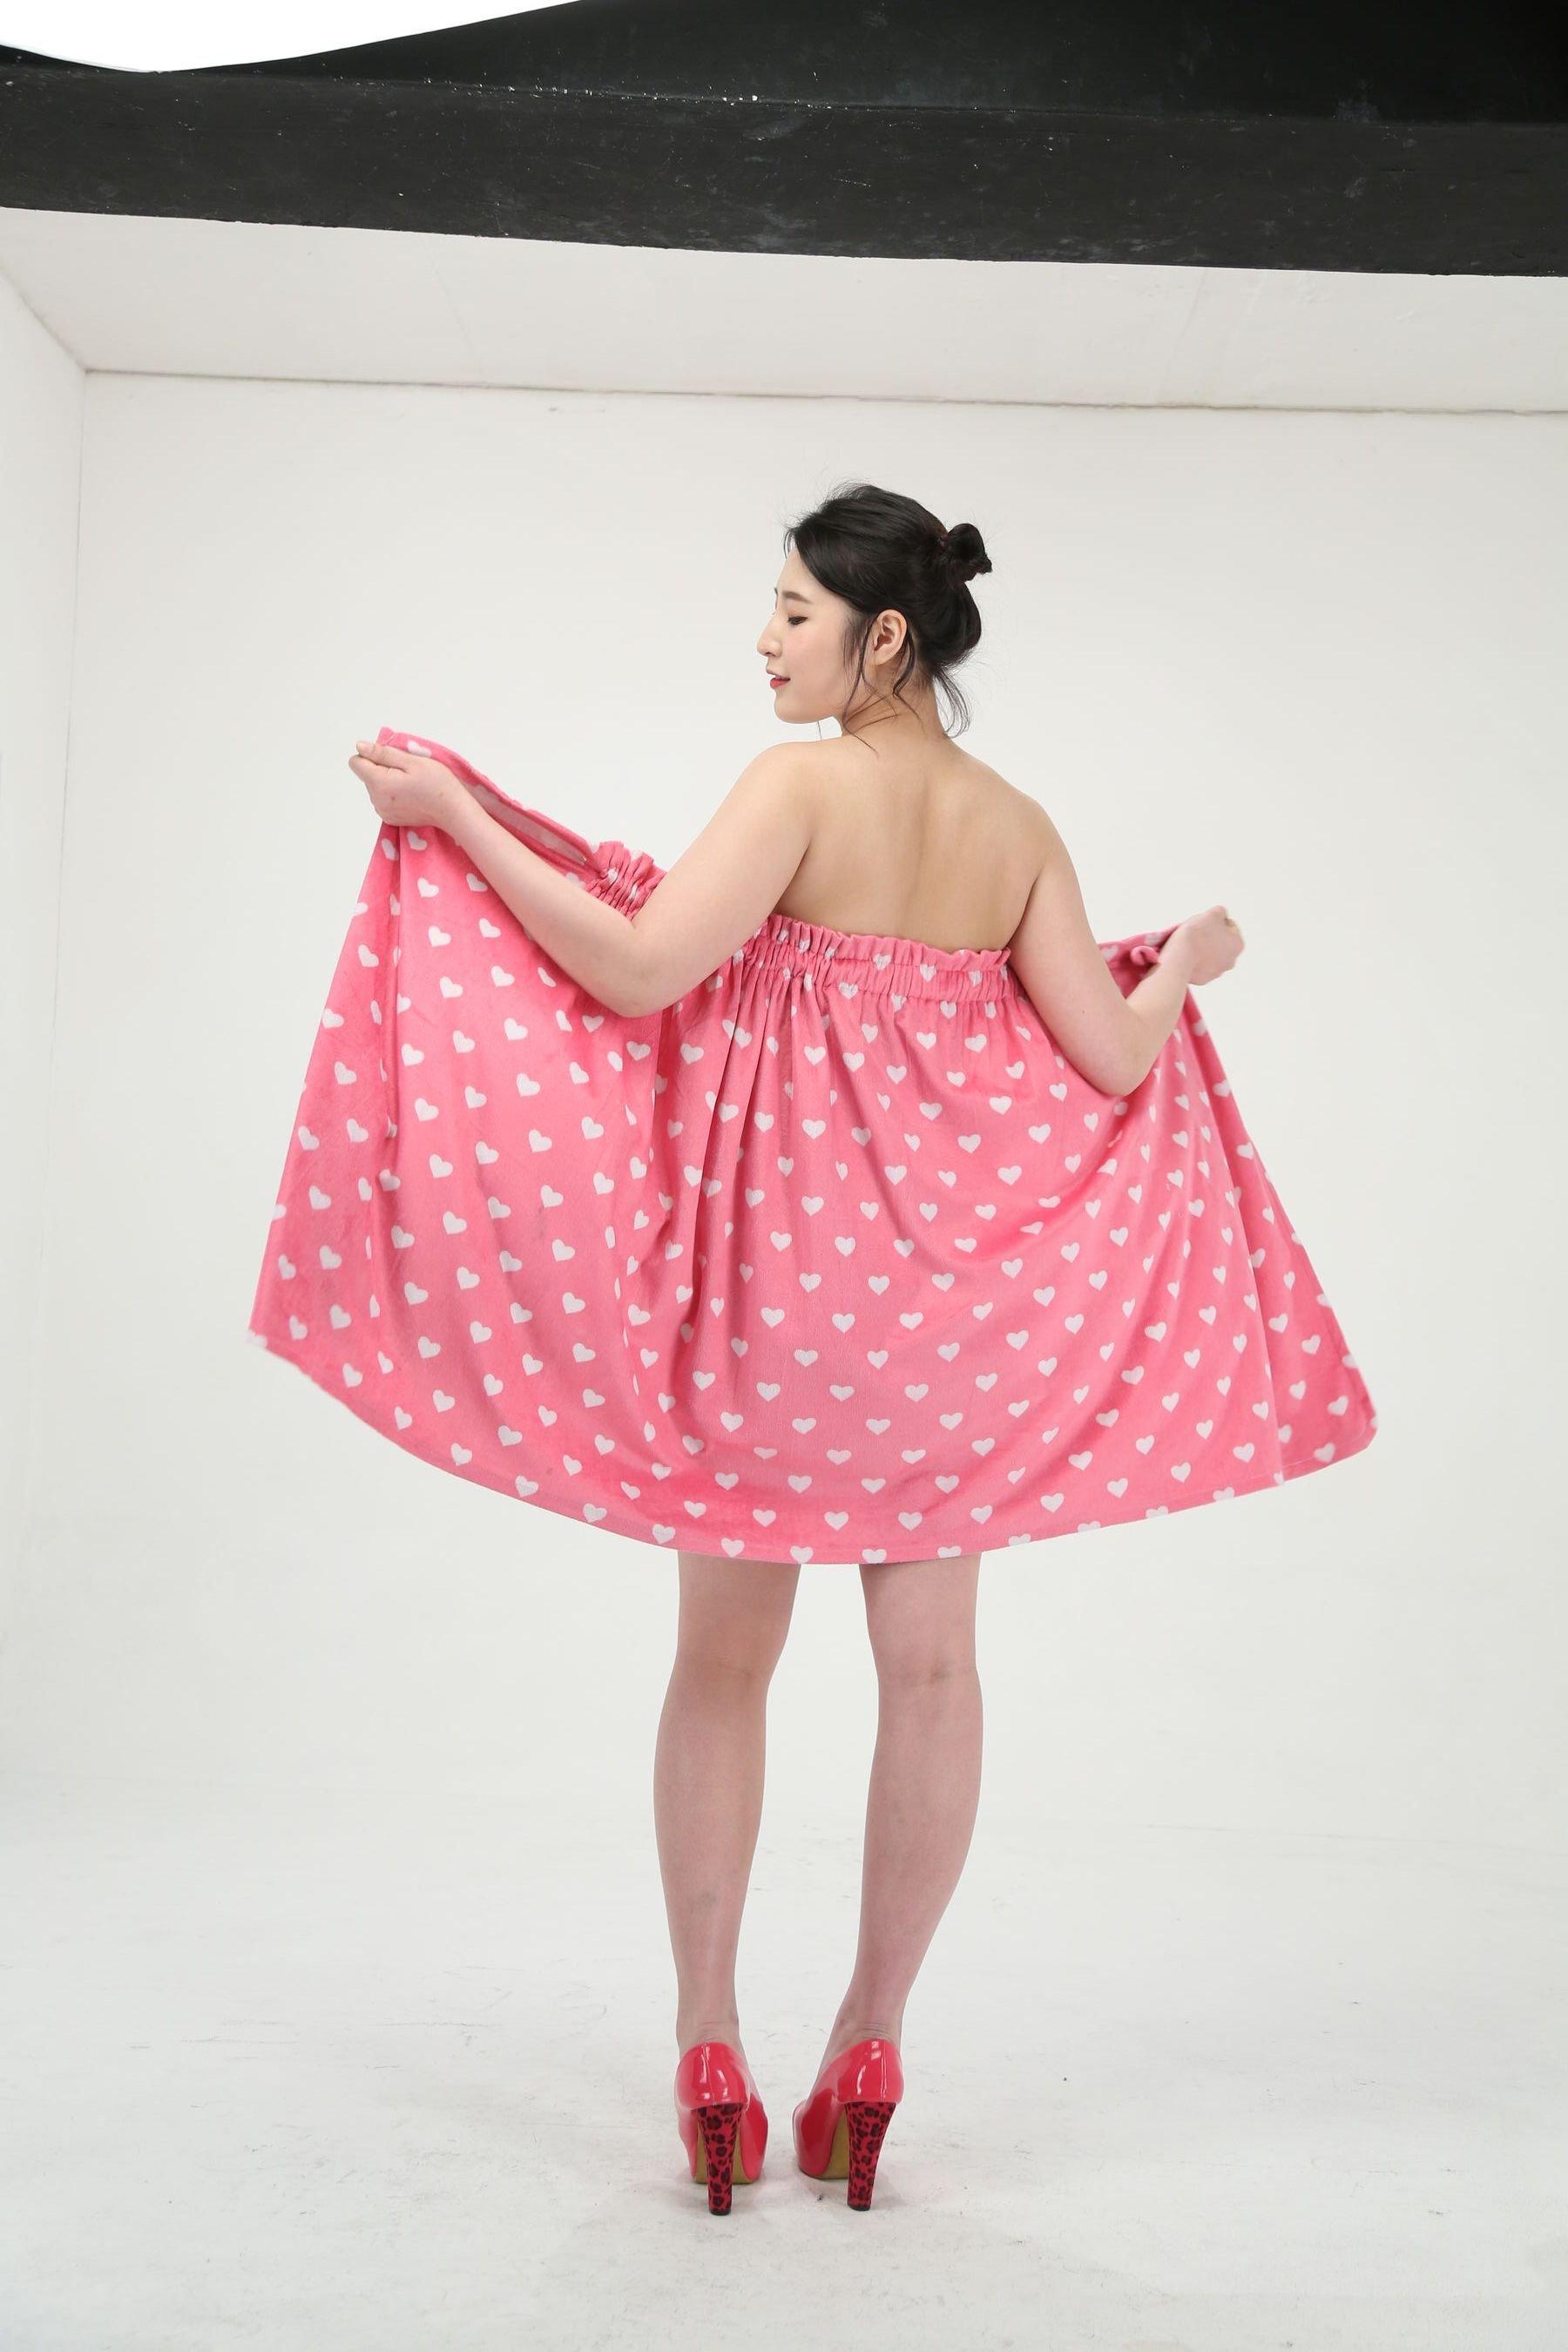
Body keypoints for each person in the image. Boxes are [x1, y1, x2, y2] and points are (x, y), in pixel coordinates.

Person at [259, 480, 1375, 2213]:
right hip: (947, 1335)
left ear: (884, 638)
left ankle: (711, 2044)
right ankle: (871, 2042)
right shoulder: (1017, 830)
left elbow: (637, 970)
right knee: (933, 1675)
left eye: (793, 612)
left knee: (724, 1665)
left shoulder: (797, 790)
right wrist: (1191, 962)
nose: (765, 641)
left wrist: (458, 818)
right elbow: (1114, 1056)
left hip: (772, 1321)